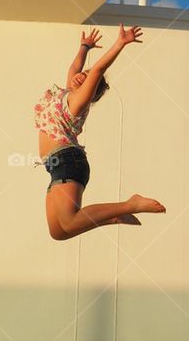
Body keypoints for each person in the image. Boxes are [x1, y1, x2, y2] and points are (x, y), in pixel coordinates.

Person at [36, 24, 166, 241]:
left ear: (89, 89)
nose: (80, 76)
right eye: (81, 75)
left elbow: (97, 70)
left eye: (86, 78)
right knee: (58, 232)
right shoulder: (68, 92)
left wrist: (120, 43)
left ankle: (130, 204)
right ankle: (112, 217)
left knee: (69, 221)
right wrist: (84, 48)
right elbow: (73, 68)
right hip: (55, 166)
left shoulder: (77, 102)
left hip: (68, 161)